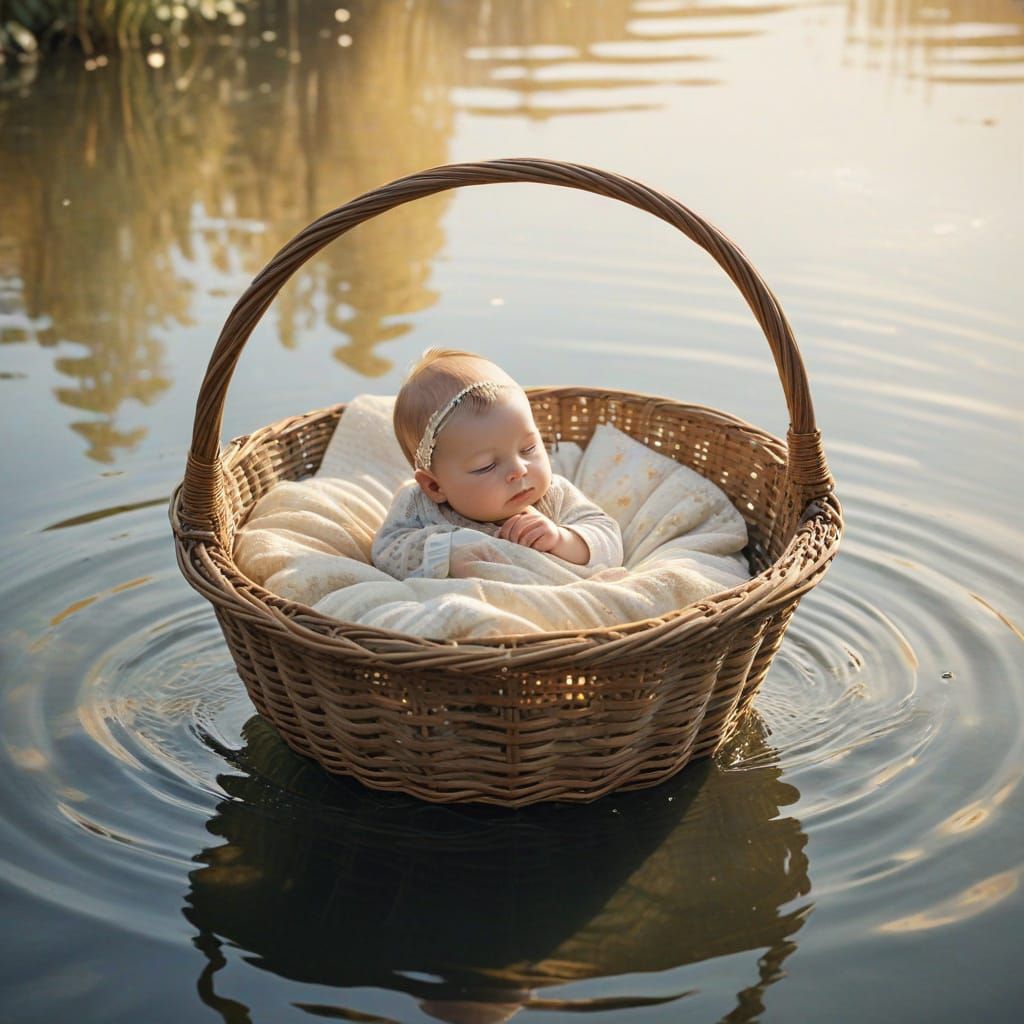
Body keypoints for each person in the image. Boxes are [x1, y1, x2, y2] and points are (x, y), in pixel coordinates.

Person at [372, 348, 623, 580]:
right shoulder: (418, 506)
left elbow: (607, 538)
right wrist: (449, 548)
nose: (519, 470)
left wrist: (561, 540)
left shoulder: (554, 496)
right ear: (434, 486)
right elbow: (387, 551)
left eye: (528, 449)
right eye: (486, 466)